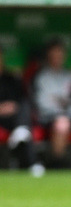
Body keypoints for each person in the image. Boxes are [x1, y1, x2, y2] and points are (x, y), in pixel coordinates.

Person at [33, 40, 71, 167]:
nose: (57, 57)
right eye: (54, 54)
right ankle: (57, 164)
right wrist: (63, 104)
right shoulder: (42, 77)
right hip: (49, 117)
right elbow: (43, 103)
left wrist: (62, 103)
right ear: (48, 56)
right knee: (62, 123)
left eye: (60, 54)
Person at [0, 46, 42, 175]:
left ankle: (21, 129)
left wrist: (12, 106)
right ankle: (32, 163)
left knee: (24, 108)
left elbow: (19, 100)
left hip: (12, 119)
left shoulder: (10, 78)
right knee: (23, 128)